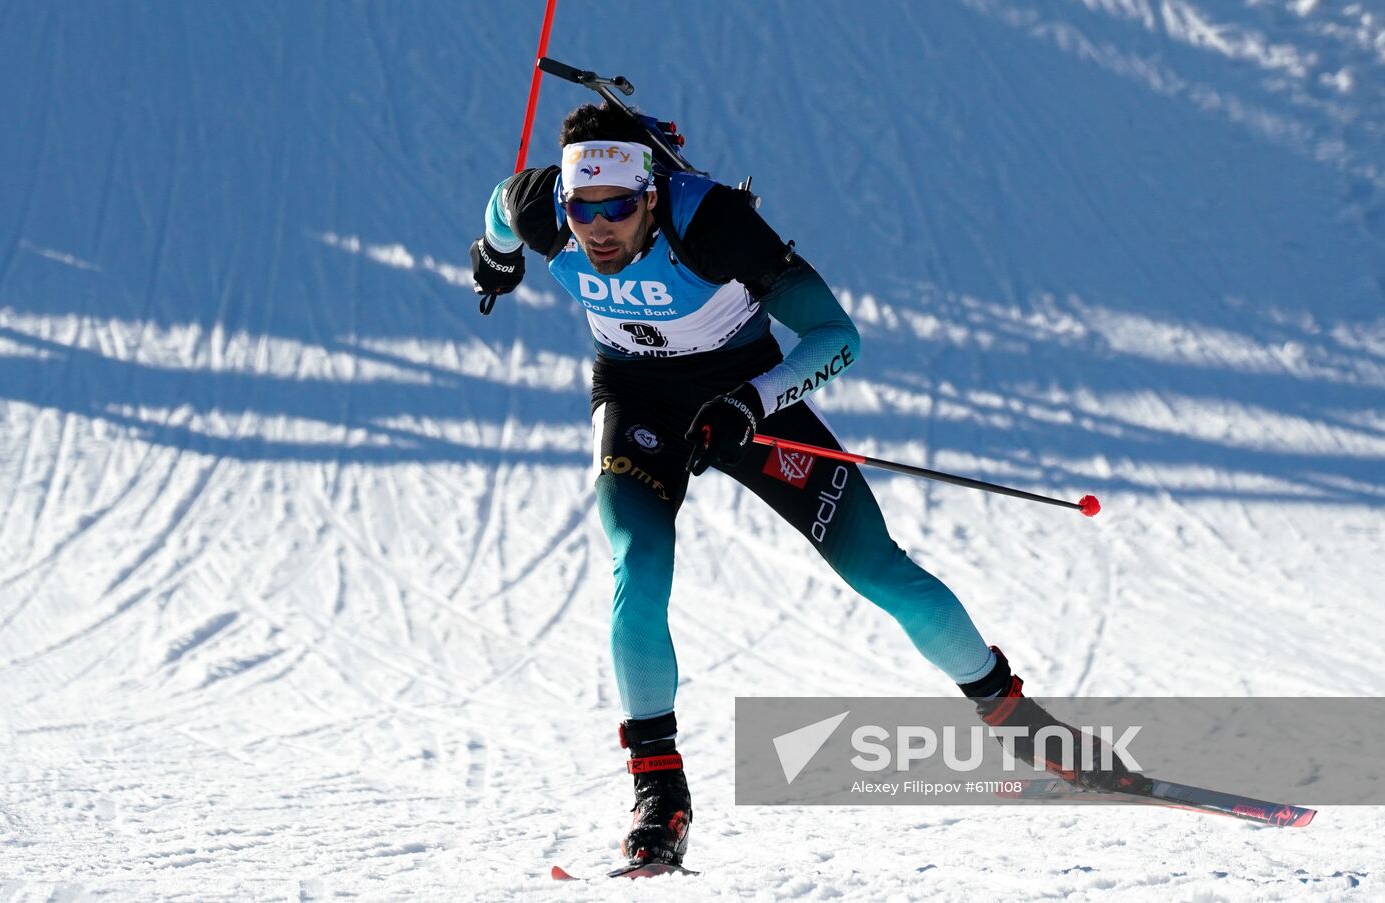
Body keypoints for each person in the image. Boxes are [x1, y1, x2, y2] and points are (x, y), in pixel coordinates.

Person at [470, 102, 1143, 869]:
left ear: (652, 196)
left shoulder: (714, 225)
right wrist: (494, 256)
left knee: (879, 568)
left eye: (618, 207)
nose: (597, 228)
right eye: (581, 208)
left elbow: (838, 337)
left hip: (746, 395)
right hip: (637, 401)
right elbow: (499, 205)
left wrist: (751, 404)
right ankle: (660, 794)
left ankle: (1017, 717)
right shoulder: (541, 208)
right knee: (639, 565)